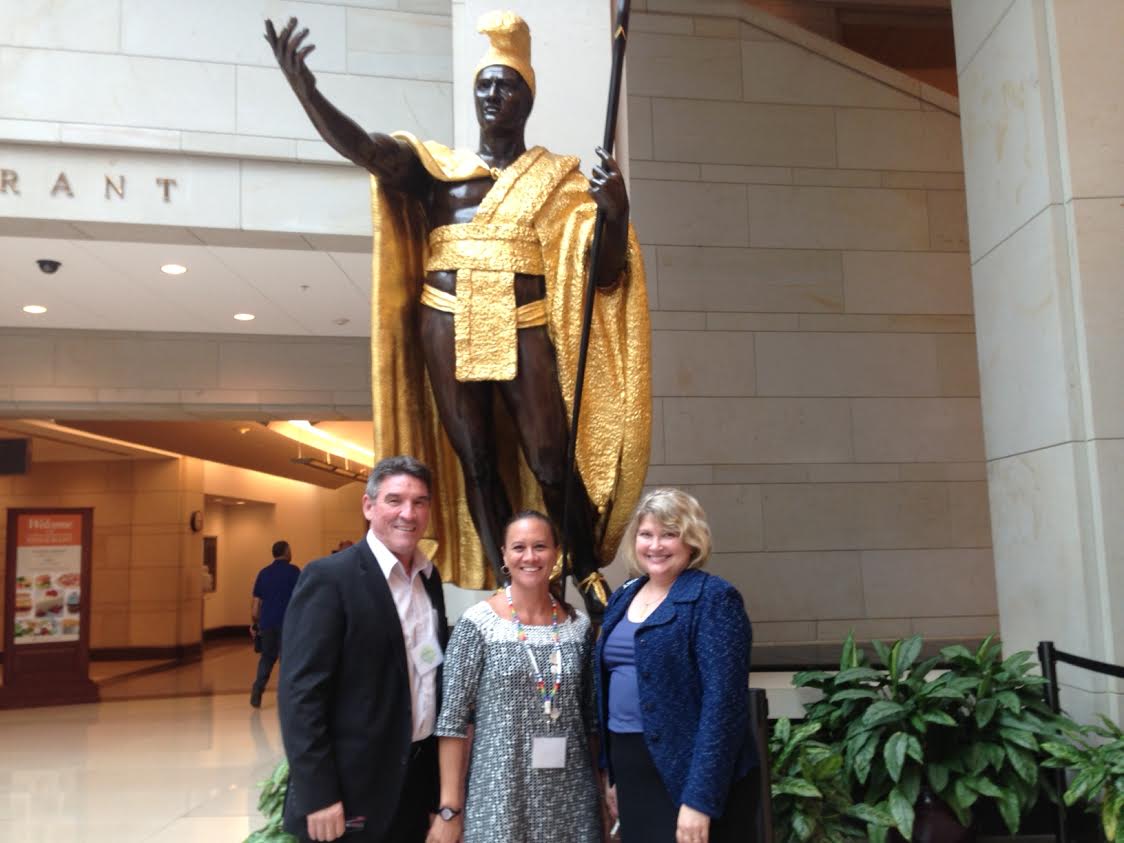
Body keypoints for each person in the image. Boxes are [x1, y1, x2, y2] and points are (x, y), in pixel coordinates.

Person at [264, 11, 651, 619]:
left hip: (524, 319)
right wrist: (308, 93)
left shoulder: (560, 180)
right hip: (445, 316)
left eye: (507, 85)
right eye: (485, 85)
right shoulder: (438, 170)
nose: (494, 95)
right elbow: (365, 149)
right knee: (476, 461)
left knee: (551, 461)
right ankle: (513, 582)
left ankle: (584, 568)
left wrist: (615, 211)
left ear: (527, 97)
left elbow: (603, 275)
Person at [278, 455, 449, 843]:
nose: (408, 513)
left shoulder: (428, 578)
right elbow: (300, 695)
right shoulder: (329, 578)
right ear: (368, 506)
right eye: (395, 500)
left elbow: (427, 667)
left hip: (415, 781)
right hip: (350, 790)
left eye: (420, 502)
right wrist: (318, 794)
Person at [427, 511, 602, 843]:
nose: (530, 556)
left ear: (555, 553)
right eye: (519, 547)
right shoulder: (478, 624)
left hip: (571, 796)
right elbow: (452, 721)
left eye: (540, 546)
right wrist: (450, 807)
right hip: (499, 793)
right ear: (505, 555)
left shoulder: (577, 627)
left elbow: (590, 720)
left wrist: (601, 791)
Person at [594, 489, 758, 843]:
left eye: (669, 534)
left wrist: (700, 800)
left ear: (692, 541)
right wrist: (614, 775)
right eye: (646, 534)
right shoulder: (625, 594)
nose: (656, 545)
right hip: (632, 765)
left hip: (689, 772)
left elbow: (724, 706)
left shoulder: (713, 599)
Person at [249, 539, 300, 707]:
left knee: (266, 659)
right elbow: (301, 599)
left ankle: (257, 691)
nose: (291, 553)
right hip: (289, 624)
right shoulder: (294, 572)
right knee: (288, 661)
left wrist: (255, 623)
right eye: (290, 549)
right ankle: (286, 698)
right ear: (286, 552)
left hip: (268, 623)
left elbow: (256, 603)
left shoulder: (263, 573)